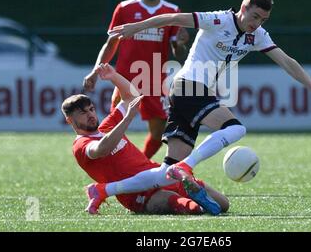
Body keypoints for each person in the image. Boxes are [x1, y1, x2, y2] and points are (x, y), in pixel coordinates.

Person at [107, 0, 311, 210]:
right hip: (188, 87)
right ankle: (187, 167)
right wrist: (134, 28)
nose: (257, 24)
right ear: (243, 7)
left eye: (263, 19)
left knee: (166, 171)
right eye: (254, 16)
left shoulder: (257, 36)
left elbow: (286, 61)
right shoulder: (218, 20)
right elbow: (172, 18)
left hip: (189, 94)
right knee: (236, 128)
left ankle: (104, 190)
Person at [64, 63, 228, 215]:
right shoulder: (80, 145)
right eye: (83, 113)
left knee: (223, 204)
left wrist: (114, 76)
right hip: (135, 194)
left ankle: (188, 185)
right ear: (70, 121)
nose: (90, 115)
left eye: (91, 109)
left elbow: (132, 96)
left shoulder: (107, 126)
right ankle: (192, 196)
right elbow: (102, 148)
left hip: (160, 175)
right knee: (192, 208)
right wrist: (127, 119)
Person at [83, 0, 189, 159]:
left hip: (155, 82)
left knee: (158, 134)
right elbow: (111, 43)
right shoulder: (125, 8)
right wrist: (95, 71)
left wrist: (181, 43)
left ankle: (138, 167)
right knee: (112, 129)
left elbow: (178, 52)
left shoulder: (172, 11)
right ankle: (113, 167)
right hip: (125, 79)